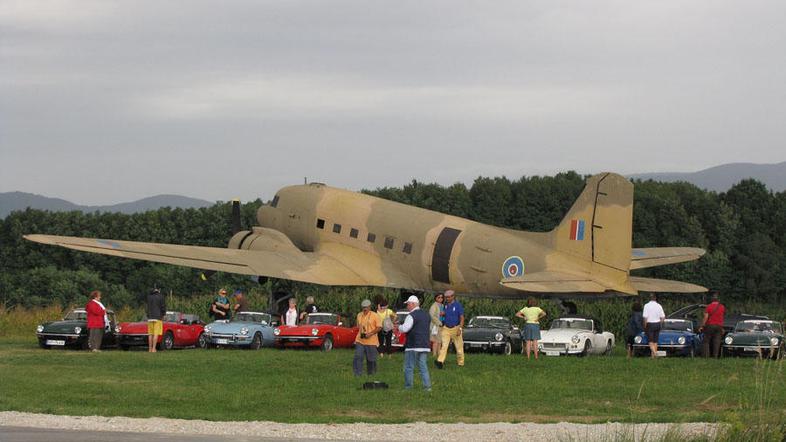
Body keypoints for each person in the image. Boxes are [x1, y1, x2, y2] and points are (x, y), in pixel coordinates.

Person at [399, 295, 432, 391]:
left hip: (413, 345)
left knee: (409, 367)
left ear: (413, 304)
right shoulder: (426, 315)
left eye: (408, 304)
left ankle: (408, 387)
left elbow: (405, 329)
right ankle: (427, 387)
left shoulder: (411, 315)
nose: (407, 306)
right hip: (425, 344)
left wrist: (399, 327)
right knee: (423, 366)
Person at [435, 290, 464, 369]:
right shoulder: (446, 305)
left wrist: (460, 329)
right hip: (446, 328)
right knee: (444, 346)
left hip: (456, 328)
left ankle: (461, 363)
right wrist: (442, 314)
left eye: (448, 297)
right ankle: (440, 361)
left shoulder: (458, 305)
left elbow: (462, 318)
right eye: (446, 297)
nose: (447, 299)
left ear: (453, 296)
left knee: (459, 348)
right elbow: (446, 313)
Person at [354, 299, 381, 376]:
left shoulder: (375, 315)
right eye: (363, 307)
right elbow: (358, 326)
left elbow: (379, 327)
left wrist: (370, 333)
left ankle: (371, 375)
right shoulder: (359, 315)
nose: (364, 309)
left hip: (371, 341)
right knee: (358, 356)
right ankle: (357, 374)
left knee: (371, 359)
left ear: (370, 307)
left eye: (366, 307)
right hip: (360, 340)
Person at [700, 291, 725, 358]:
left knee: (706, 341)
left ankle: (706, 356)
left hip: (710, 325)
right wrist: (722, 327)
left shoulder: (708, 307)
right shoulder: (722, 307)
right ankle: (715, 356)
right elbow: (722, 317)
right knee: (717, 342)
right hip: (719, 326)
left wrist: (702, 326)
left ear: (711, 299)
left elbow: (706, 317)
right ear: (718, 299)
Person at [642, 293, 666, 359]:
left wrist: (645, 326)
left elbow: (645, 317)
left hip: (650, 324)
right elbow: (663, 317)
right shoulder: (659, 306)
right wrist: (660, 323)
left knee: (650, 341)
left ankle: (655, 354)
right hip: (657, 324)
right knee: (655, 341)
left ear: (650, 298)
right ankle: (653, 357)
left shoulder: (646, 305)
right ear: (655, 298)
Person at [146, 288, 166, 353]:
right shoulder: (161, 297)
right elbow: (163, 307)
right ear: (158, 290)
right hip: (157, 317)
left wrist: (148, 315)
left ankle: (149, 349)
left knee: (150, 334)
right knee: (155, 334)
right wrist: (163, 314)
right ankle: (154, 349)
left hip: (150, 317)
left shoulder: (149, 297)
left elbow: (147, 307)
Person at [428, 292, 445, 357]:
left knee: (440, 341)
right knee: (435, 341)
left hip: (442, 325)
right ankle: (434, 354)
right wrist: (439, 323)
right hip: (435, 326)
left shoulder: (442, 305)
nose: (440, 298)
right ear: (436, 298)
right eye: (439, 297)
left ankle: (439, 354)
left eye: (442, 297)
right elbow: (432, 316)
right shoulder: (434, 306)